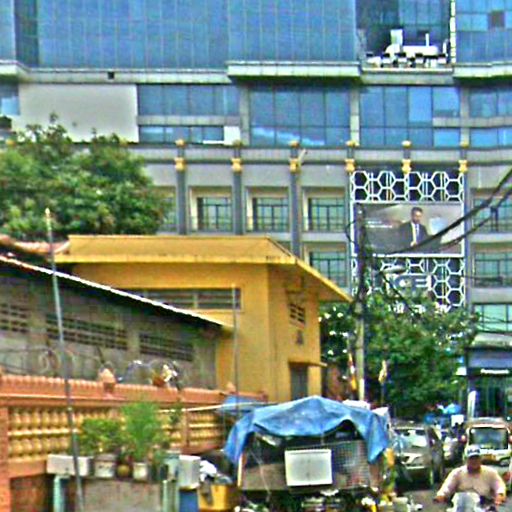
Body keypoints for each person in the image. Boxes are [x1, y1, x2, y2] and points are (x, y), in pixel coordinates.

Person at [434, 445, 506, 508]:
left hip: (484, 506)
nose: (474, 461)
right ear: (465, 460)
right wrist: (441, 495)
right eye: (471, 458)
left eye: (476, 458)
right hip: (461, 507)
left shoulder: (490, 473)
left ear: (480, 459)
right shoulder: (457, 473)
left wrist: (500, 495)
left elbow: (499, 485)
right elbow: (447, 486)